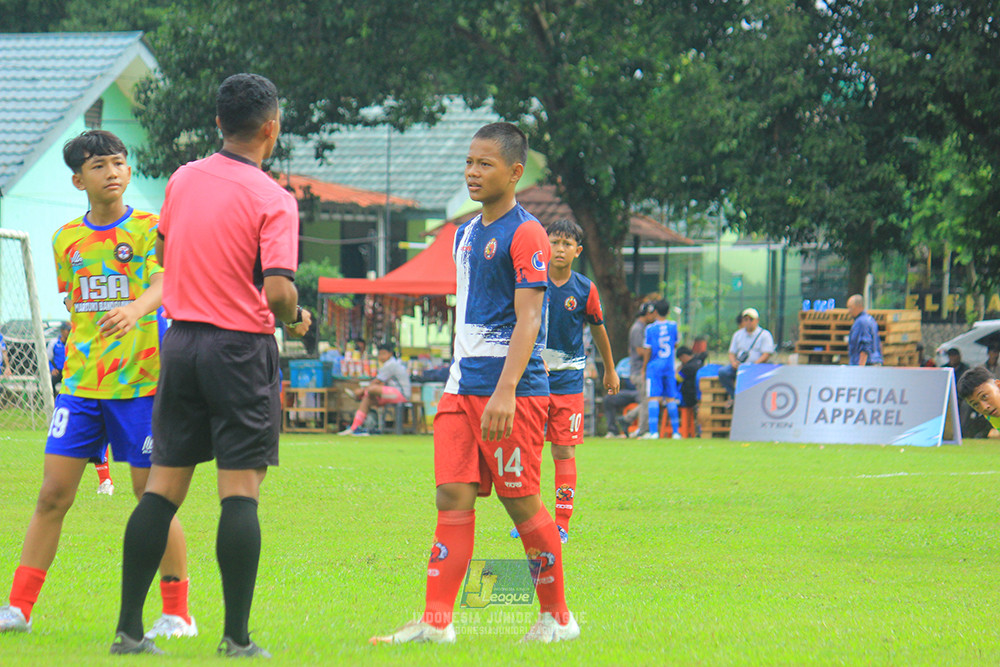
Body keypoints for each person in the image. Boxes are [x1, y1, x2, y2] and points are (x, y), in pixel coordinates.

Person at [111, 73, 311, 657]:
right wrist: (295, 314)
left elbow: (167, 254)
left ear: (219, 122)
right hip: (240, 350)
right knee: (239, 493)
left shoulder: (182, 179)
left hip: (180, 344)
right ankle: (236, 638)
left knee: (162, 490)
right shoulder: (274, 199)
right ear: (271, 128)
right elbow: (278, 291)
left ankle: (128, 631)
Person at [371, 122, 578, 645]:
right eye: (469, 162)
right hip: (460, 387)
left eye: (485, 164)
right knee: (451, 496)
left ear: (515, 172)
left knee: (521, 501)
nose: (472, 172)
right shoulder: (464, 234)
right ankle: (436, 622)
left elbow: (529, 319)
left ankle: (558, 619)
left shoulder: (527, 233)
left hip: (511, 393)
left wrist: (506, 390)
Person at [0, 130, 195, 639]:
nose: (112, 172)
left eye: (119, 162)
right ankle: (18, 608)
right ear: (78, 180)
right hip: (81, 387)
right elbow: (74, 302)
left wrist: (134, 308)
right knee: (52, 494)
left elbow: (166, 281)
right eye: (99, 165)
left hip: (142, 385)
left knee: (151, 497)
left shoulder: (151, 228)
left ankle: (178, 613)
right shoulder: (65, 239)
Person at [516, 218, 618, 543]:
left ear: (578, 251)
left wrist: (610, 369)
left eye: (566, 244)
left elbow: (599, 329)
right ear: (545, 245)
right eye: (554, 242)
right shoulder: (529, 283)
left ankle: (561, 523)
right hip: (532, 378)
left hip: (569, 383)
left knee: (563, 450)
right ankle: (530, 518)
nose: (559, 249)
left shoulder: (585, 289)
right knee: (529, 448)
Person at [339, 342, 411, 435]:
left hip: (401, 394)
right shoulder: (386, 365)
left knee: (371, 390)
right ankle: (355, 427)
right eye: (380, 354)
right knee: (367, 399)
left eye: (384, 354)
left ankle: (359, 396)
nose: (381, 356)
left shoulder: (391, 364)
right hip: (391, 394)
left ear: (390, 354)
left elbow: (376, 382)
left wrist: (362, 390)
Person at [640, 300, 682, 439]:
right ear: (668, 312)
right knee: (671, 398)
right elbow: (675, 344)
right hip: (669, 366)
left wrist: (644, 367)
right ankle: (676, 432)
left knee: (653, 397)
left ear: (656, 311)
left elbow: (648, 349)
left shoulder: (650, 328)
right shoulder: (673, 326)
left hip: (654, 366)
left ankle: (654, 432)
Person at [718, 307, 775, 406]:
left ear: (757, 320)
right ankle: (735, 396)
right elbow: (731, 352)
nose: (748, 322)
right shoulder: (738, 335)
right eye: (746, 319)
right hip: (740, 366)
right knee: (723, 372)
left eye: (751, 319)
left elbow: (766, 354)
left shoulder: (765, 335)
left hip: (757, 366)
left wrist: (754, 365)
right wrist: (733, 363)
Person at [627, 302, 657, 437]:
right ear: (648, 313)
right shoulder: (638, 329)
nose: (655, 317)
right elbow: (640, 351)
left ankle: (627, 419)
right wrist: (652, 352)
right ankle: (642, 431)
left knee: (648, 400)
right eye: (653, 314)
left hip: (642, 370)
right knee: (646, 401)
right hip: (639, 371)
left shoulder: (643, 327)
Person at [956, 366, 1000, 439]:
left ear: (998, 386)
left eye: (984, 396)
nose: (984, 407)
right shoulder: (991, 414)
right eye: (976, 404)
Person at [603, 357, 638, 438]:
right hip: (625, 392)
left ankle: (637, 428)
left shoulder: (645, 361)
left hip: (640, 392)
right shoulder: (624, 363)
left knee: (647, 400)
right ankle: (613, 431)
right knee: (608, 399)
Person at [847, 294, 882, 366]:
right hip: (875, 362)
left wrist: (861, 369)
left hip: (866, 365)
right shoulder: (870, 319)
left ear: (859, 307)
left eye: (851, 307)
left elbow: (865, 348)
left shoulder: (861, 322)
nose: (849, 311)